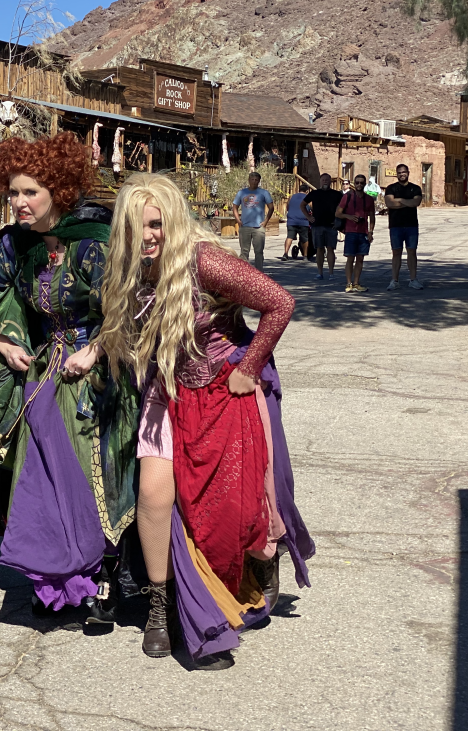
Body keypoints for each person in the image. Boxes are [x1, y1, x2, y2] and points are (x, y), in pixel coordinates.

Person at [97, 173, 315, 669]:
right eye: (136, 228)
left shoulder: (204, 260)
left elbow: (280, 303)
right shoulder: (128, 269)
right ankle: (159, 606)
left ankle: (263, 559)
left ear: (172, 218)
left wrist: (249, 366)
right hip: (167, 392)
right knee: (154, 494)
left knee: (232, 511)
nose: (147, 236)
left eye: (155, 224)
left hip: (224, 391)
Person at [0, 132, 137, 623]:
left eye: (30, 192)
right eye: (13, 192)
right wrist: (1, 340)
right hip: (42, 374)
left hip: (97, 373)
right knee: (38, 477)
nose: (18, 202)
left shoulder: (95, 241)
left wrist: (96, 349)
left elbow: (127, 310)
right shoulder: (13, 245)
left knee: (91, 474)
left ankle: (102, 580)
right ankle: (54, 581)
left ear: (58, 191)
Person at [384, 163, 424, 290]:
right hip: (395, 225)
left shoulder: (415, 188)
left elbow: (415, 202)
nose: (402, 174)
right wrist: (407, 202)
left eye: (404, 172)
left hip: (411, 225)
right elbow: (389, 203)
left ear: (408, 172)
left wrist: (399, 201)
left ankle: (413, 279)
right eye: (399, 172)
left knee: (412, 251)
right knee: (396, 252)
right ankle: (394, 280)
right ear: (397, 174)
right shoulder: (391, 188)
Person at [336, 174, 376, 293]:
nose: (359, 185)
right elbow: (337, 213)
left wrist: (370, 232)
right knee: (350, 258)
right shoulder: (348, 197)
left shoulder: (369, 199)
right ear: (354, 183)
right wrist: (349, 216)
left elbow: (372, 217)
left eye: (361, 183)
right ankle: (349, 284)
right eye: (357, 182)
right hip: (351, 231)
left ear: (365, 184)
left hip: (363, 232)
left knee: (360, 259)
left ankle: (356, 283)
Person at [303, 173, 343, 281]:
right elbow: (302, 205)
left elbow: (344, 207)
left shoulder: (337, 194)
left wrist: (340, 221)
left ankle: (331, 273)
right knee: (319, 249)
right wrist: (308, 217)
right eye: (323, 180)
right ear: (320, 181)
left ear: (330, 181)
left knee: (330, 249)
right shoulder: (315, 193)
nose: (325, 181)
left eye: (327, 180)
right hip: (317, 225)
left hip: (331, 226)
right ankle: (320, 273)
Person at [231, 171, 275, 271]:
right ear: (249, 180)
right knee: (244, 251)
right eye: (252, 179)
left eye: (256, 180)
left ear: (259, 181)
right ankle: (244, 272)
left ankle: (259, 272)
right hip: (245, 226)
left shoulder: (264, 193)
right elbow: (235, 207)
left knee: (259, 251)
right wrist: (238, 220)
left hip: (258, 227)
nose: (254, 182)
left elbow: (271, 207)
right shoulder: (242, 193)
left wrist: (266, 221)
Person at [280, 185, 312, 261]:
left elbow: (288, 207)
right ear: (307, 191)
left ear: (299, 189)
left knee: (289, 237)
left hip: (291, 220)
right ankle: (305, 256)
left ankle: (285, 253)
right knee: (304, 238)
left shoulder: (291, 197)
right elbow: (311, 207)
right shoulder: (308, 198)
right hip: (303, 220)